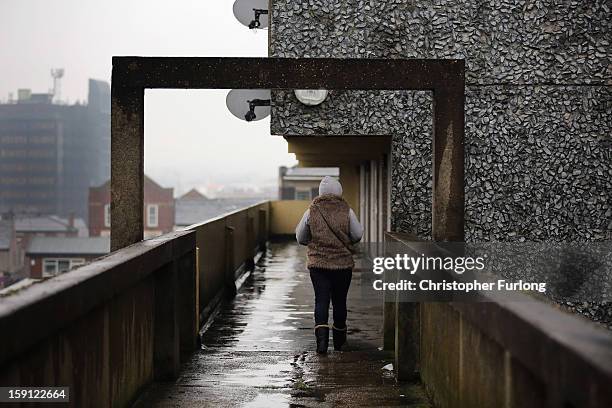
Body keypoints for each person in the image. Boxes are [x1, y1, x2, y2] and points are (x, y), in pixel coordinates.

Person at [295, 176, 364, 354]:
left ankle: (322, 344)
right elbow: (357, 235)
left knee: (321, 300)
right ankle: (340, 342)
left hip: (318, 266)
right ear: (339, 190)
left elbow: (300, 237)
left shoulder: (311, 210)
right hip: (342, 265)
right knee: (340, 301)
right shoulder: (346, 210)